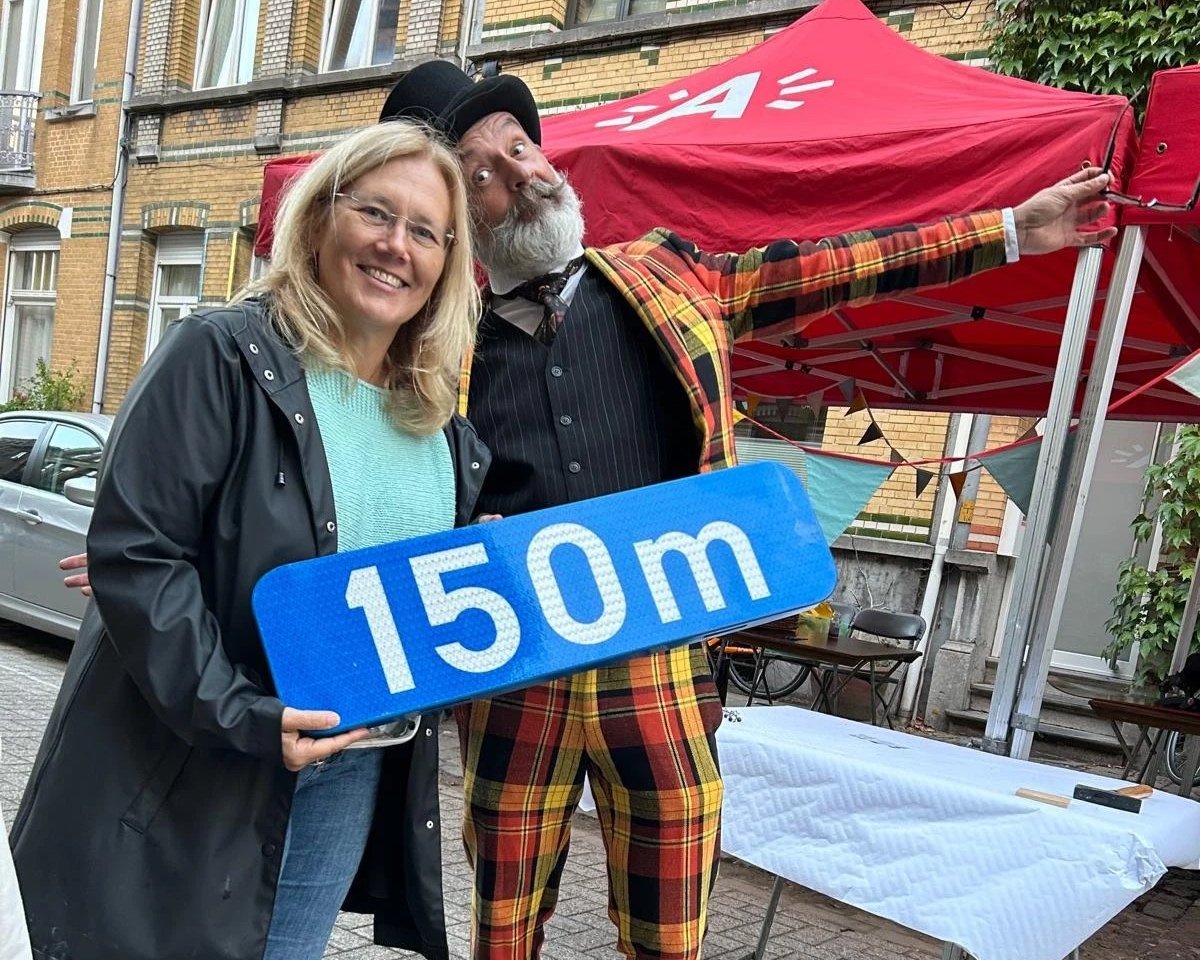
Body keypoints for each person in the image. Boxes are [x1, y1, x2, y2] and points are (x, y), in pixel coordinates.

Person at [59, 59, 1117, 960]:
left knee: (672, 928)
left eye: (521, 144)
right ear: (458, 215)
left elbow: (836, 264)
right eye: (479, 168)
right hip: (510, 678)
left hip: (662, 675)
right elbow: (343, 478)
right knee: (505, 930)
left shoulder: (668, 275)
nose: (517, 172)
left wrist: (1016, 230)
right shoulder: (430, 348)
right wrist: (193, 547)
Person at [13, 119, 487, 960]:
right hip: (190, 757)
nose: (396, 246)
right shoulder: (220, 355)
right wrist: (245, 715)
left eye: (425, 231)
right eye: (376, 212)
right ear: (320, 218)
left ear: (448, 261)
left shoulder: (438, 424)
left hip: (347, 772)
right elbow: (139, 555)